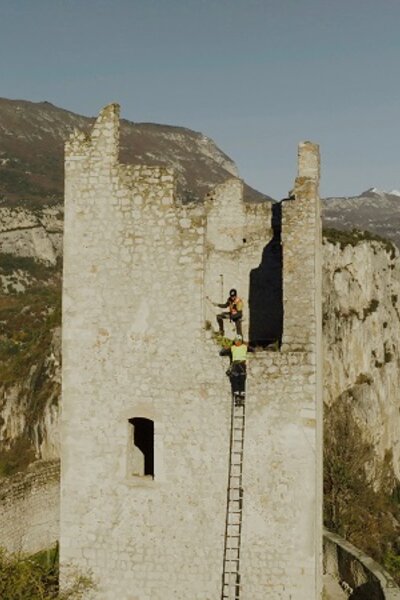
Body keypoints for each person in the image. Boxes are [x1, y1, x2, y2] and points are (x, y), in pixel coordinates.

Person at [220, 334, 251, 405]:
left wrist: (226, 347)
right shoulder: (237, 347)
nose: (237, 342)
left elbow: (222, 352)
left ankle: (240, 396)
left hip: (239, 365)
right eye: (237, 341)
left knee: (240, 379)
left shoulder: (238, 347)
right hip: (238, 365)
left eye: (238, 341)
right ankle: (238, 396)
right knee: (237, 379)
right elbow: (222, 353)